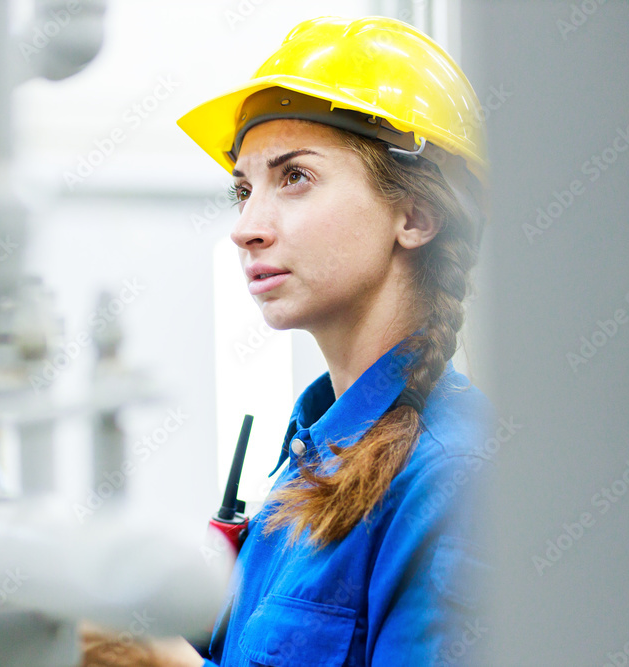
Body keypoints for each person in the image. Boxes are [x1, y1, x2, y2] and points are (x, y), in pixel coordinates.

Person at [80, 15, 494, 667]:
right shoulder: (307, 458)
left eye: (294, 177)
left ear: (415, 214)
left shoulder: (457, 480)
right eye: (242, 190)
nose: (246, 227)